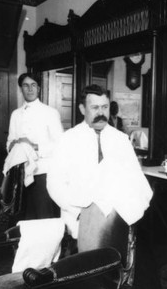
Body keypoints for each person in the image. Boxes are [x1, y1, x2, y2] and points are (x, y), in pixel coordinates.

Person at [47, 84, 153, 239]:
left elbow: (138, 181)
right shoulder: (68, 140)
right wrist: (79, 213)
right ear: (82, 109)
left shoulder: (121, 140)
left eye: (105, 107)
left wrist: (128, 213)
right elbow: (54, 184)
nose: (101, 113)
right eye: (95, 107)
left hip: (117, 220)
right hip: (78, 218)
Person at [6, 73, 63, 219]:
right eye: (25, 85)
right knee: (23, 216)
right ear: (21, 89)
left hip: (42, 173)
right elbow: (9, 142)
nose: (29, 89)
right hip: (20, 173)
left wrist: (33, 146)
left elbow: (60, 145)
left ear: (38, 88)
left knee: (43, 216)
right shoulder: (15, 114)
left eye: (33, 85)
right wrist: (12, 145)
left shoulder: (50, 112)